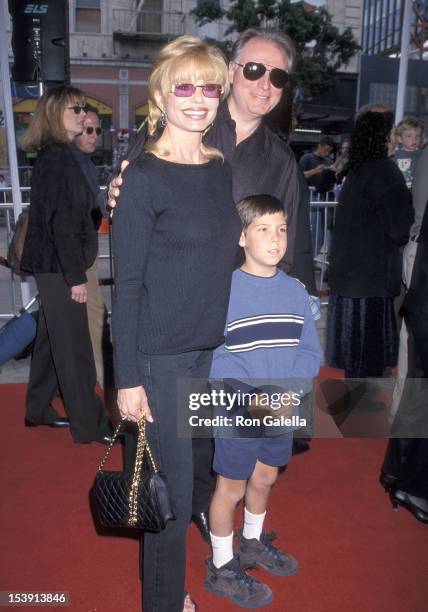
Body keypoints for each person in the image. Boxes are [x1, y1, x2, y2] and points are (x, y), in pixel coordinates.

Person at [108, 28, 317, 537]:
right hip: (174, 317)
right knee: (172, 440)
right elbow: (134, 191)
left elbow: (295, 251)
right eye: (253, 69)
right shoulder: (191, 115)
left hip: (239, 320)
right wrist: (115, 191)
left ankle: (215, 524)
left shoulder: (281, 159)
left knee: (226, 434)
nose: (265, 83)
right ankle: (175, 529)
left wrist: (295, 332)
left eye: (278, 76)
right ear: (230, 72)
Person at [111, 36, 241, 612]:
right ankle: (162, 603)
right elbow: (129, 285)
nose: (198, 98)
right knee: (167, 495)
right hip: (159, 360)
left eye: (209, 86)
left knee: (194, 480)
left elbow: (217, 255)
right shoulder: (142, 177)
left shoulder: (216, 168)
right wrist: (127, 378)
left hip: (207, 352)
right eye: (183, 86)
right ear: (161, 95)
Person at [205, 195, 322, 607]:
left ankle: (252, 541)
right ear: (240, 236)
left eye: (282, 229)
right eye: (263, 229)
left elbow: (310, 350)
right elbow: (215, 355)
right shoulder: (225, 291)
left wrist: (290, 390)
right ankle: (221, 565)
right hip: (239, 406)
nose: (275, 239)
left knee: (266, 477)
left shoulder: (295, 291)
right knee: (231, 486)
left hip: (282, 405)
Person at [20, 85, 112, 444]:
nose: (83, 114)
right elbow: (60, 223)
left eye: (83, 108)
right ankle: (91, 425)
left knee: (50, 338)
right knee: (75, 349)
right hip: (59, 266)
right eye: (75, 109)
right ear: (55, 115)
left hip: (57, 263)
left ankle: (37, 408)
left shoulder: (61, 157)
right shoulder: (56, 159)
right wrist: (75, 277)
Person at [326, 111, 413, 381]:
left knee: (354, 364)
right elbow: (400, 229)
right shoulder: (386, 171)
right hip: (371, 282)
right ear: (383, 138)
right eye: (392, 135)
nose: (395, 141)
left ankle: (353, 416)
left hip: (349, 279)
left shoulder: (357, 170)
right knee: (369, 365)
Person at [72, 108, 113, 393]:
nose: (95, 136)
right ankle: (98, 389)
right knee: (94, 315)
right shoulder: (69, 163)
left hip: (84, 252)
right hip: (77, 255)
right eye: (88, 130)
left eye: (98, 131)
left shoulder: (84, 162)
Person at [394, 117, 424, 190]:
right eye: (409, 136)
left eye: (417, 136)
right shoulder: (394, 155)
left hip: (417, 190)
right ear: (399, 139)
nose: (414, 139)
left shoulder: (423, 155)